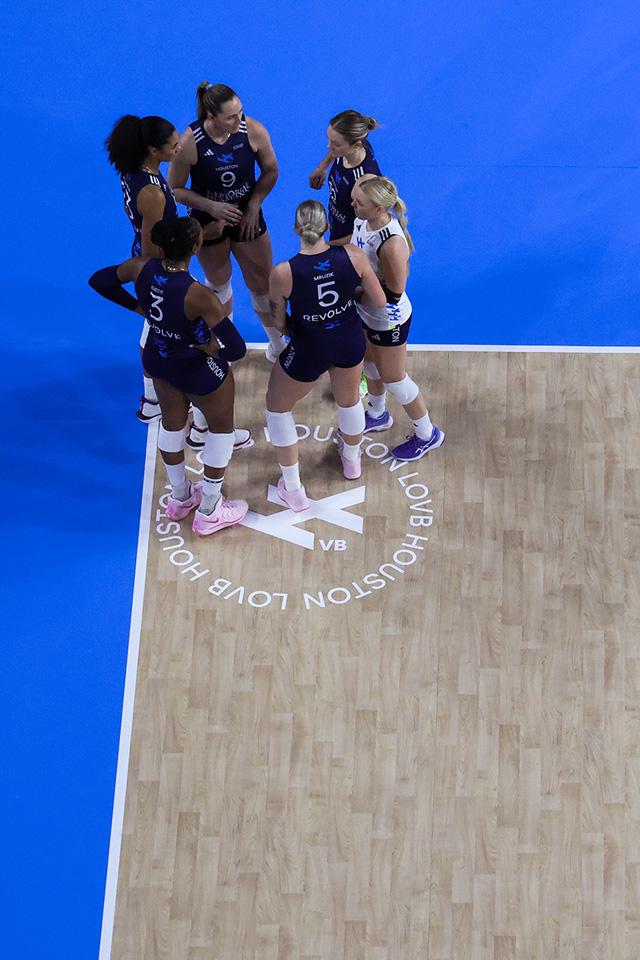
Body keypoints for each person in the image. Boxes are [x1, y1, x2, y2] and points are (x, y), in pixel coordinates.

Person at [88, 217, 248, 536]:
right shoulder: (198, 295)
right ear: (196, 247)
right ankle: (210, 509)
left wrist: (139, 308)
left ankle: (180, 498)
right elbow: (237, 348)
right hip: (194, 367)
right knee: (220, 430)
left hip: (159, 361)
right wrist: (210, 349)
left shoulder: (141, 267)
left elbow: (99, 280)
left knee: (172, 422)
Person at [266, 200, 386, 510]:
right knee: (349, 401)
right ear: (327, 227)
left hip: (310, 345)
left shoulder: (283, 272)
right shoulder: (354, 256)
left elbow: (277, 321)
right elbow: (377, 299)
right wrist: (348, 297)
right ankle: (351, 462)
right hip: (347, 339)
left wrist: (297, 327)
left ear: (296, 229)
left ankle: (293, 490)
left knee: (277, 409)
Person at [168, 82, 287, 363]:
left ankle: (278, 344)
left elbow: (270, 171)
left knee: (261, 283)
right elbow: (176, 188)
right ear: (211, 116)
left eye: (241, 112)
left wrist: (254, 205)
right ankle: (226, 345)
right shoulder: (190, 142)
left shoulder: (253, 131)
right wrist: (212, 207)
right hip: (208, 220)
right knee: (219, 283)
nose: (239, 120)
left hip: (247, 217)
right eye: (231, 117)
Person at [351, 175, 444, 461]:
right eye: (354, 199)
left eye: (359, 202)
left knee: (394, 377)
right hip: (366, 312)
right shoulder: (362, 221)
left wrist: (348, 289)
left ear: (379, 208)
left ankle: (428, 434)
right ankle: (377, 414)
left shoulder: (391, 245)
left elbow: (392, 294)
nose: (353, 205)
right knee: (369, 363)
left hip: (387, 318)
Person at [105, 114, 180, 423]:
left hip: (152, 254)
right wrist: (168, 279)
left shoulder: (136, 171)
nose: (179, 149)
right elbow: (151, 249)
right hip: (158, 265)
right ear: (153, 150)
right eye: (173, 146)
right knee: (155, 326)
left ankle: (153, 398)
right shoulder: (152, 193)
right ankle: (152, 400)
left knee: (155, 326)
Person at [308, 110, 382, 245]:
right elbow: (334, 151)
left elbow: (366, 232)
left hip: (350, 246)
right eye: (329, 140)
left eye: (335, 144)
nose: (329, 146)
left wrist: (326, 247)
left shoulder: (365, 183)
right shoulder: (348, 150)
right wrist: (322, 167)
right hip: (337, 229)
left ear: (356, 145)